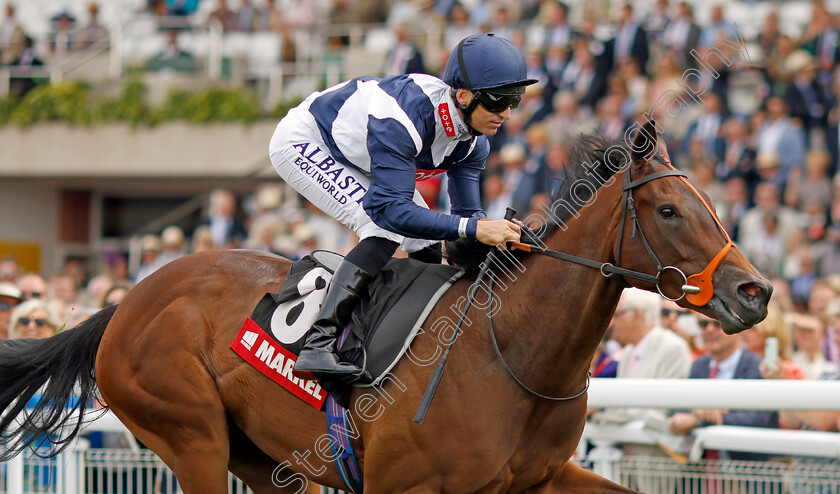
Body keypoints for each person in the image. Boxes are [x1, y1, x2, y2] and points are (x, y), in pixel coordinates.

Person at [269, 33, 529, 378]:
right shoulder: (404, 118)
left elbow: (468, 220)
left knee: (426, 240)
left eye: (516, 100)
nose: (508, 114)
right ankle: (319, 342)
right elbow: (389, 210)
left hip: (362, 153)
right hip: (308, 139)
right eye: (500, 101)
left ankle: (422, 333)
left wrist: (501, 237)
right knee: (383, 225)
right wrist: (476, 228)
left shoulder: (473, 143)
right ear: (464, 96)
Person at [669, 313, 779, 459]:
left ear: (739, 329)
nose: (709, 329)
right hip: (703, 472)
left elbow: (758, 418)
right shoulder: (698, 365)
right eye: (703, 324)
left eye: (717, 324)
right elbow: (680, 408)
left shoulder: (757, 366)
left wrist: (705, 418)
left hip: (748, 470)